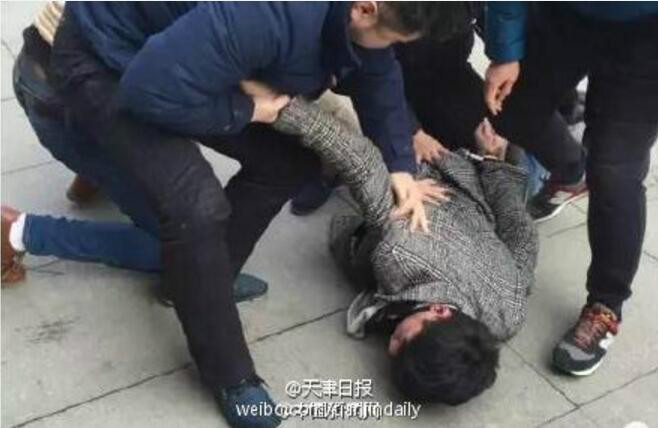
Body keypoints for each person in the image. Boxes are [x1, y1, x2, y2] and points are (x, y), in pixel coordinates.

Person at [16, 2, 469, 426]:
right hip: (105, 63)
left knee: (287, 164)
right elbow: (149, 90)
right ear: (365, 9)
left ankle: (204, 278)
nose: (390, 49)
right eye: (394, 38)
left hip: (173, 55)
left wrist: (399, 164)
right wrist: (247, 109)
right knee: (196, 208)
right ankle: (229, 374)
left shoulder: (352, 15)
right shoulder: (269, 14)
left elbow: (375, 67)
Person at [271, 97, 538, 405]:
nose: (390, 346)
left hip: (464, 186)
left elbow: (522, 233)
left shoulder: (508, 315)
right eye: (401, 338)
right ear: (439, 312)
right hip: (421, 175)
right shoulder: (402, 251)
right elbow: (361, 161)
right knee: (337, 103)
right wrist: (280, 110)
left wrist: (493, 162)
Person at [1, 2, 267, 303]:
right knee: (185, 243)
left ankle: (96, 174)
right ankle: (17, 232)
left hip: (49, 65)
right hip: (66, 95)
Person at [483, 3, 658, 376]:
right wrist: (505, 51)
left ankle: (605, 305)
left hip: (648, 32)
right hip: (565, 14)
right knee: (510, 107)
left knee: (614, 171)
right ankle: (571, 172)